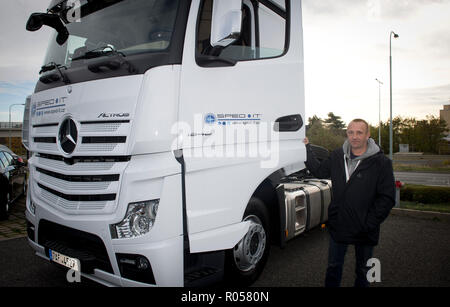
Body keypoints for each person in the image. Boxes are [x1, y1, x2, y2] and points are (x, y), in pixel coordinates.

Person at [303, 119, 395, 287]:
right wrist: (306, 148)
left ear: (368, 135)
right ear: (347, 134)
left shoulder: (381, 162)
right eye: (351, 132)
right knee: (333, 268)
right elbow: (318, 170)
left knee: (363, 271)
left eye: (359, 132)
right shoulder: (338, 156)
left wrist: (370, 222)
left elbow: (387, 197)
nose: (355, 137)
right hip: (340, 224)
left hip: (365, 228)